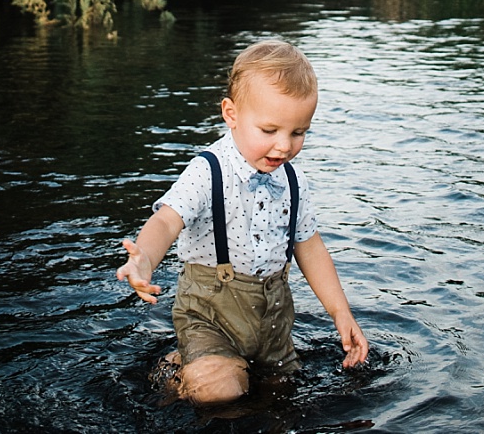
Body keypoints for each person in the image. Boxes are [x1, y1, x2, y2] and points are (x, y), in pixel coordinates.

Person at [117, 41, 368, 405]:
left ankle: (203, 365)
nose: (283, 146)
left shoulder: (293, 181)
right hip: (210, 316)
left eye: (298, 133)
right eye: (269, 131)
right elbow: (167, 220)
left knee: (278, 397)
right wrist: (145, 258)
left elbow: (310, 248)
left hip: (272, 325)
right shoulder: (208, 171)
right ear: (231, 114)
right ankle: (185, 368)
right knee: (221, 394)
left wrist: (341, 312)